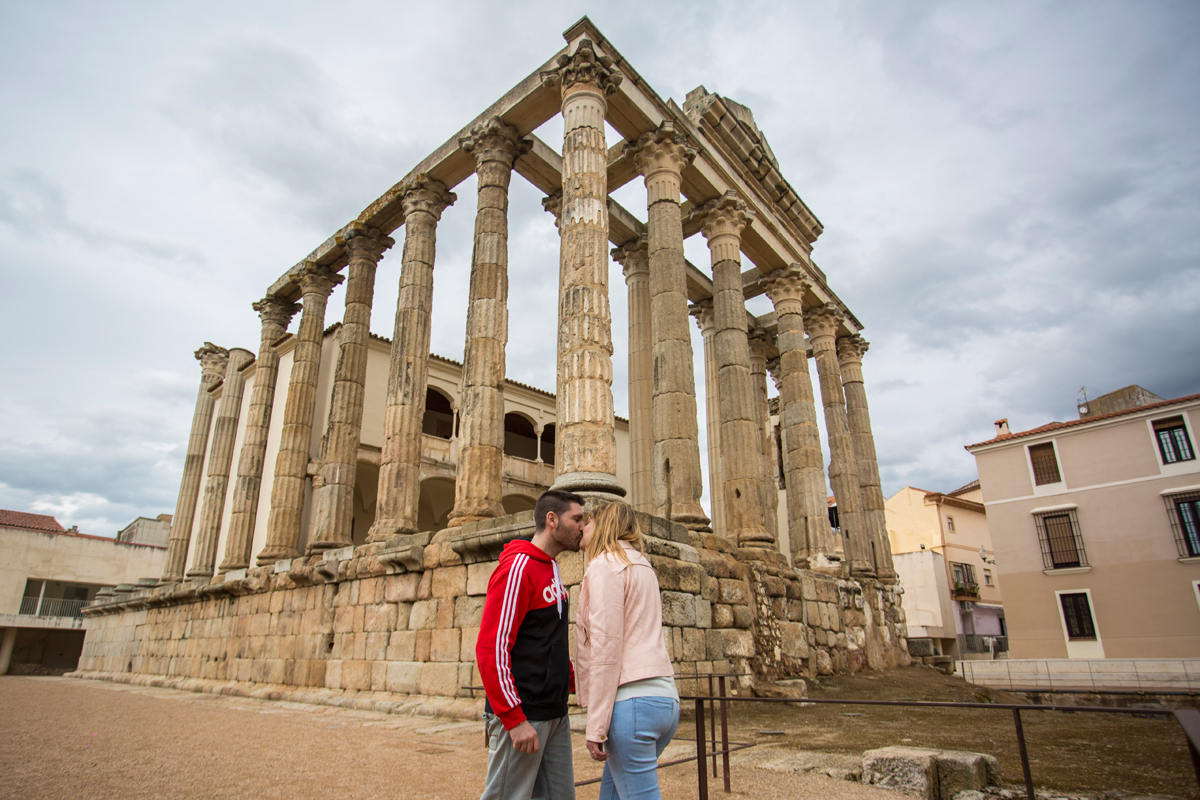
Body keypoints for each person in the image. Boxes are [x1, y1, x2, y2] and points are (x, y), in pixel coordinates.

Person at [476, 489, 586, 800]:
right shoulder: (517, 569)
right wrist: (513, 718)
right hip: (524, 712)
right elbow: (491, 648)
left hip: (554, 712)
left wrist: (574, 683)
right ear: (552, 520)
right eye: (576, 519)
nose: (583, 526)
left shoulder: (551, 567)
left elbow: (548, 639)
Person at [575, 502, 679, 800]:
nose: (583, 526)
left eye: (590, 521)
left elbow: (607, 648)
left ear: (604, 525)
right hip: (665, 700)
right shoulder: (643, 565)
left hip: (632, 706)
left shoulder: (604, 566)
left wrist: (595, 726)